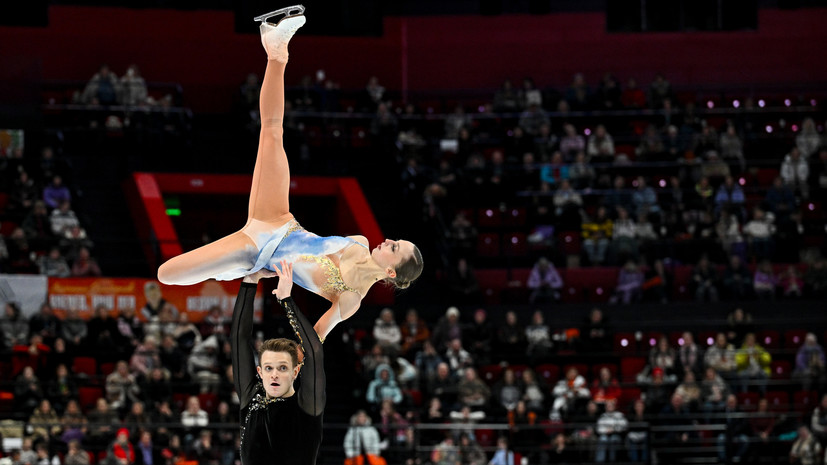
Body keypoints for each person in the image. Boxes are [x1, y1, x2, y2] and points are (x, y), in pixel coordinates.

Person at [156, 9, 423, 343]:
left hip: (256, 250)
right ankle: (276, 50)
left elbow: (316, 336)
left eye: (395, 247)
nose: (388, 240)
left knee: (166, 274)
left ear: (390, 271)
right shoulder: (359, 243)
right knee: (271, 133)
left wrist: (296, 367)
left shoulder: (351, 299)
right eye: (395, 240)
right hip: (281, 220)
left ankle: (236, 268)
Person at [231, 255, 325, 464]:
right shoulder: (251, 396)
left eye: (282, 368)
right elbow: (239, 338)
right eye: (269, 368)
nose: (274, 374)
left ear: (295, 372)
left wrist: (286, 300)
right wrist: (250, 280)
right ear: (260, 372)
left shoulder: (307, 406)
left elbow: (314, 351)